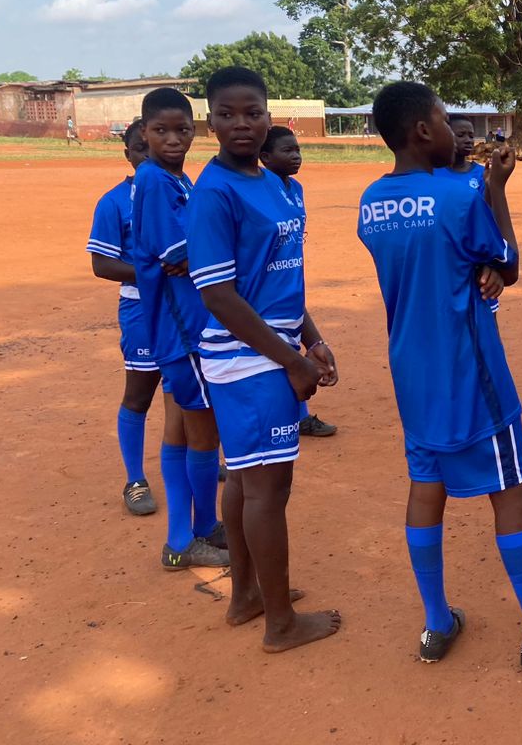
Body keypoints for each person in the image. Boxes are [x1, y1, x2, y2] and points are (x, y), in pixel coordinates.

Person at [358, 81, 522, 672]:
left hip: (413, 375)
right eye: (446, 119)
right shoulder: (456, 197)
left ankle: (435, 622)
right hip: (470, 376)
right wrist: (497, 192)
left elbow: (437, 264)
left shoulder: (371, 201)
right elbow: (510, 264)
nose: (454, 129)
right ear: (423, 131)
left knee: (427, 489)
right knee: (517, 493)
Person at [188, 65, 342, 652]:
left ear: (269, 114)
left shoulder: (273, 182)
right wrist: (292, 362)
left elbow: (277, 279)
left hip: (271, 348)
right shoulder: (214, 193)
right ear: (211, 122)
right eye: (226, 114)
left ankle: (247, 597)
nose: (240, 124)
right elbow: (219, 293)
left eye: (251, 112)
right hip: (246, 361)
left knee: (249, 483)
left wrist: (311, 338)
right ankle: (280, 624)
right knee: (267, 491)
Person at [129, 89, 228, 570]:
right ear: (143, 132)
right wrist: (214, 250)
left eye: (182, 129)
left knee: (181, 429)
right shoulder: (153, 182)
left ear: (196, 130)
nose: (173, 139)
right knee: (204, 432)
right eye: (161, 130)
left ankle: (187, 534)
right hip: (184, 328)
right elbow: (179, 255)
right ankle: (196, 532)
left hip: (183, 324)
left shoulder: (176, 179)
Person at [86, 118, 164, 515]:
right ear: (129, 154)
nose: (149, 155)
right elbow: (102, 264)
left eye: (154, 147)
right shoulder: (114, 202)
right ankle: (134, 479)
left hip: (187, 305)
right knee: (140, 392)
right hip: (142, 306)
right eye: (140, 149)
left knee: (188, 389)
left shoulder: (184, 193)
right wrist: (156, 271)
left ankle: (198, 457)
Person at [259, 125, 339, 438]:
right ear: (265, 157)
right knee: (276, 354)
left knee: (291, 340)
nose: (296, 156)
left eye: (298, 150)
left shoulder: (296, 189)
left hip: (289, 277)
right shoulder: (259, 188)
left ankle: (300, 415)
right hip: (265, 287)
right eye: (287, 150)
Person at [435, 113, 498, 314]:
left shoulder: (481, 173)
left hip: (475, 255)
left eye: (471, 135)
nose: (469, 140)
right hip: (446, 253)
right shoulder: (433, 174)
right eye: (461, 135)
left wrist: (490, 186)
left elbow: (487, 215)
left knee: (485, 312)